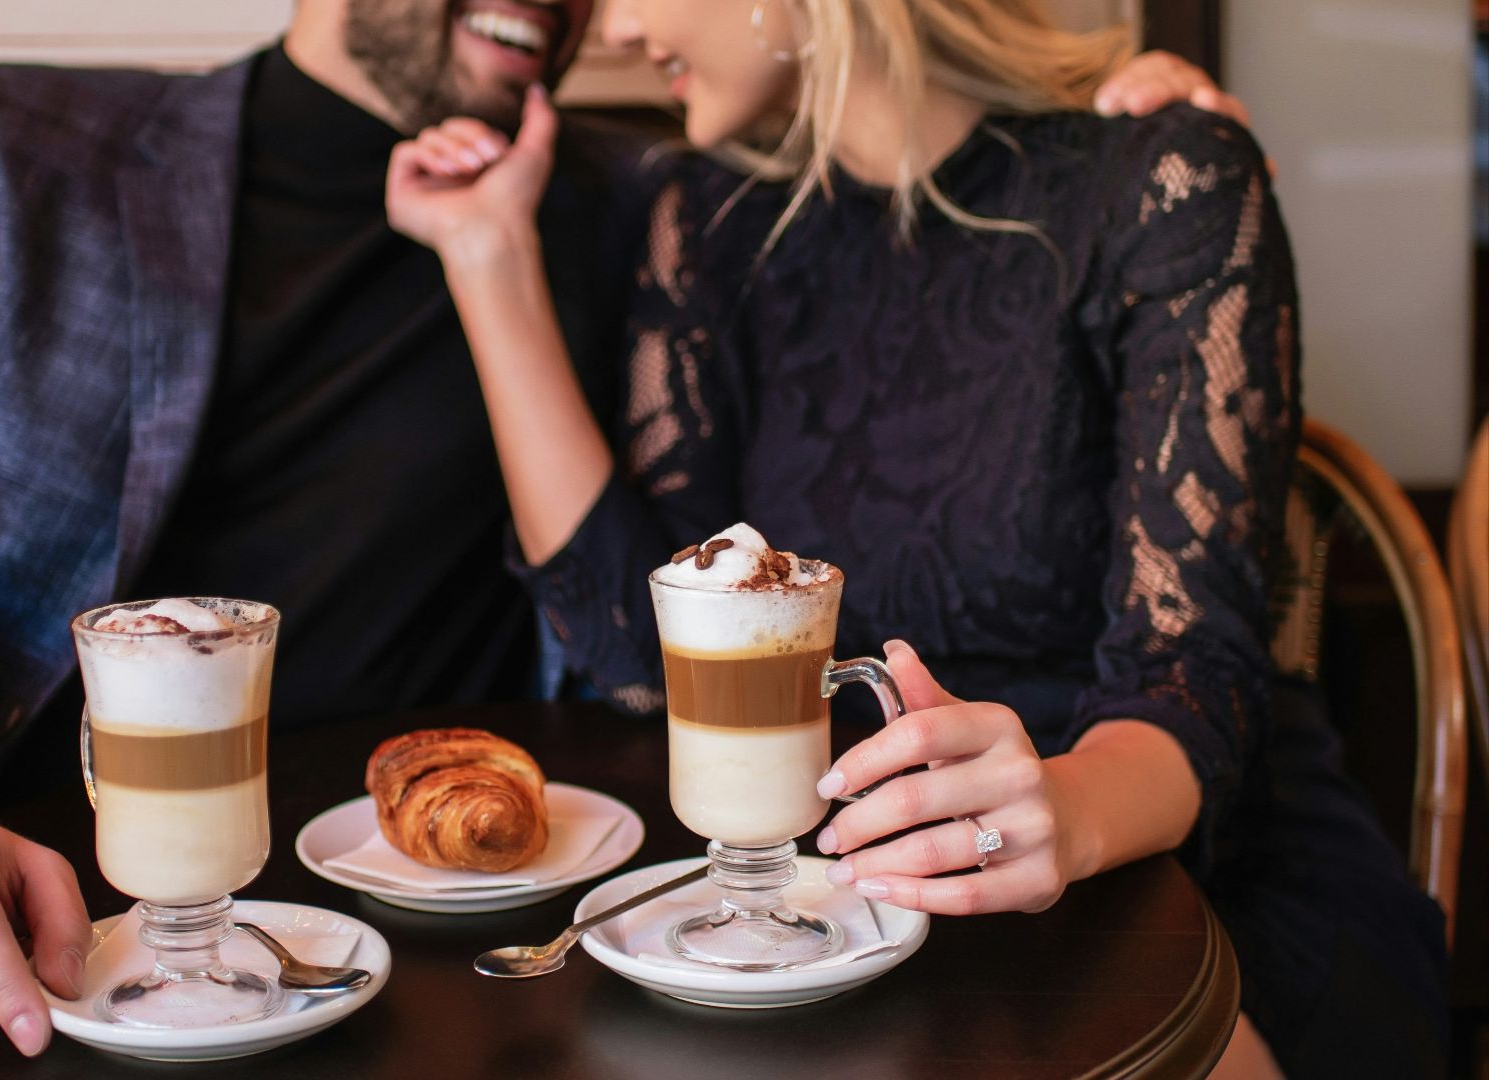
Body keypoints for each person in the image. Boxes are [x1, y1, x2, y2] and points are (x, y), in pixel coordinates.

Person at [0, 0, 1230, 1074]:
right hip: (23, 948)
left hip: (440, 992)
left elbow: (923, 241)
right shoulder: (11, 148)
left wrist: (1108, 114)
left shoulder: (634, 212)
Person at [385, 0, 1449, 1077]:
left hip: (1172, 855)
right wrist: (485, 256)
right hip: (851, 888)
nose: (608, 29)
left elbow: (1195, 673)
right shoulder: (708, 217)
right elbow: (638, 654)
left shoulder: (1166, 175)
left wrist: (1063, 812)